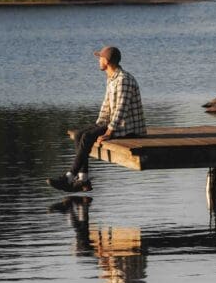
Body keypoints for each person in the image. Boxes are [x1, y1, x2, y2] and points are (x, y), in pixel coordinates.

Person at [48, 45, 146, 193]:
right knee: (80, 134)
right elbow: (106, 107)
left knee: (87, 137)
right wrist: (97, 126)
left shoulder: (123, 80)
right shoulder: (112, 79)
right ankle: (83, 179)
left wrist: (109, 132)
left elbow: (121, 109)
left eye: (100, 58)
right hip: (118, 124)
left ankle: (69, 176)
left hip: (129, 129)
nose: (98, 60)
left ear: (106, 61)